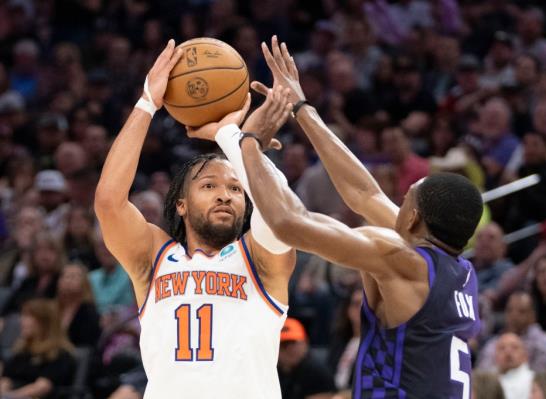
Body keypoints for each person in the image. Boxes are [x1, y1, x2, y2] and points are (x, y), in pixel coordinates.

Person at [194, 36, 483, 399]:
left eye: (406, 198)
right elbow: (365, 194)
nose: (397, 201)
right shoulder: (457, 271)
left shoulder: (401, 259)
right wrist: (302, 108)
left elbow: (288, 223)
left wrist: (248, 141)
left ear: (412, 219)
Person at [94, 40, 296, 399]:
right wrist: (147, 102)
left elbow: (281, 213)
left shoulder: (261, 261)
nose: (224, 194)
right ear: (182, 205)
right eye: (209, 185)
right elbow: (109, 202)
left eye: (236, 189)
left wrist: (233, 137)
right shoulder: (154, 258)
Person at [0, 298, 75, 399]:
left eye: (28, 316)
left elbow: (42, 387)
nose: (22, 320)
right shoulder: (22, 351)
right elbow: (6, 379)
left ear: (44, 323)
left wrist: (11, 396)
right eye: (23, 315)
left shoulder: (59, 353)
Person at [477, 292, 546, 372]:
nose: (514, 316)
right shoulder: (494, 345)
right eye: (510, 310)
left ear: (533, 316)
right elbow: (483, 375)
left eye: (521, 311)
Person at [277, 318, 336, 399]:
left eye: (293, 343)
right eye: (284, 345)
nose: (289, 349)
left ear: (305, 342)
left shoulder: (318, 373)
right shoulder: (270, 372)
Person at [56, 262, 101, 347]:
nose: (68, 280)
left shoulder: (88, 312)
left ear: (84, 283)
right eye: (65, 276)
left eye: (73, 276)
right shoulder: (53, 308)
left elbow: (87, 344)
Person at [494, 332, 534, 399]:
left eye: (514, 347)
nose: (508, 352)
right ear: (495, 357)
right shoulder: (489, 382)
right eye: (502, 348)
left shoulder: (533, 380)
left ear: (525, 355)